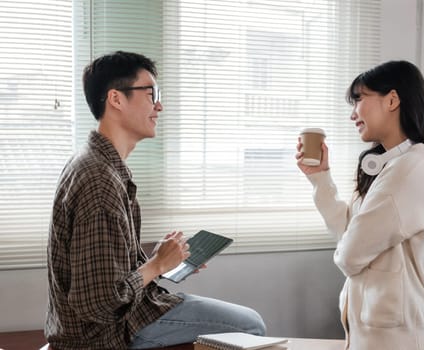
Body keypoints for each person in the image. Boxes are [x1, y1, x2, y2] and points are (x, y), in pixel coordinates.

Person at [45, 51, 266, 350]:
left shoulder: (100, 164)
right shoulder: (99, 180)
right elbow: (98, 304)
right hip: (107, 333)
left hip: (126, 312)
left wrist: (161, 259)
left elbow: (104, 265)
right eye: (151, 94)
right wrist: (158, 265)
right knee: (251, 325)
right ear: (116, 99)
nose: (159, 106)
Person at [296, 60, 424, 350]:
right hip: (374, 335)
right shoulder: (391, 165)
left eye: (359, 99)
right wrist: (320, 178)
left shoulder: (408, 170)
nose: (353, 114)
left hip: (398, 340)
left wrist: (351, 241)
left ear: (392, 99)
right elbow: (347, 231)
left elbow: (350, 254)